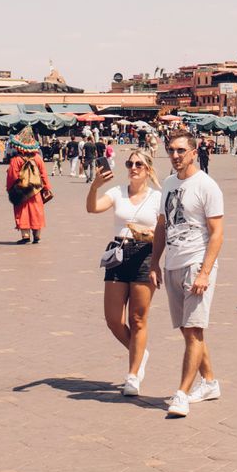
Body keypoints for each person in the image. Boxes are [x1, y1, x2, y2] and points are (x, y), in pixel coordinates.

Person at [150, 131, 224, 419]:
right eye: (172, 150)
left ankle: (181, 393)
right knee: (187, 328)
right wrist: (155, 263)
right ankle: (209, 383)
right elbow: (161, 226)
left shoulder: (207, 186)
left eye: (181, 150)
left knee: (193, 330)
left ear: (194, 152)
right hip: (173, 263)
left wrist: (204, 273)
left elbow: (217, 234)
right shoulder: (168, 183)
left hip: (196, 263)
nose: (176, 155)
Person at [87, 147, 161, 396]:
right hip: (118, 253)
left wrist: (151, 236)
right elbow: (92, 209)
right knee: (113, 319)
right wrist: (94, 186)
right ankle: (140, 351)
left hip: (145, 254)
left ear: (148, 169)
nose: (133, 169)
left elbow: (165, 231)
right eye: (130, 164)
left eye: (139, 164)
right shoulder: (116, 192)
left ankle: (133, 375)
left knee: (138, 320)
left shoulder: (157, 197)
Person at [6, 127, 51, 243]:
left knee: (23, 211)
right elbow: (43, 175)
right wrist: (46, 188)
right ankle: (37, 236)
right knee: (36, 211)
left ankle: (25, 236)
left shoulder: (16, 160)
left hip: (21, 191)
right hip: (36, 190)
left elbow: (12, 176)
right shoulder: (38, 158)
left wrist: (10, 189)